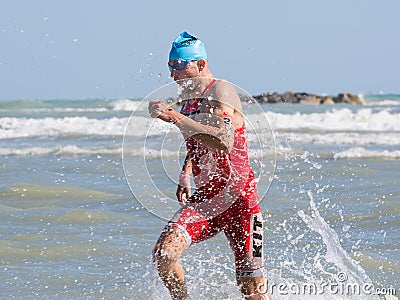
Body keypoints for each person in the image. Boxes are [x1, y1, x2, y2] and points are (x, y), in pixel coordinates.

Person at [148, 31, 271, 300]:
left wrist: (173, 117)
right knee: (164, 254)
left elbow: (224, 142)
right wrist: (186, 173)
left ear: (200, 64)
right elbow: (198, 141)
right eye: (170, 67)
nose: (173, 75)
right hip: (207, 200)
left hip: (241, 202)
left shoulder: (220, 90)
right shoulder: (189, 100)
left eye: (179, 66)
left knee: (251, 291)